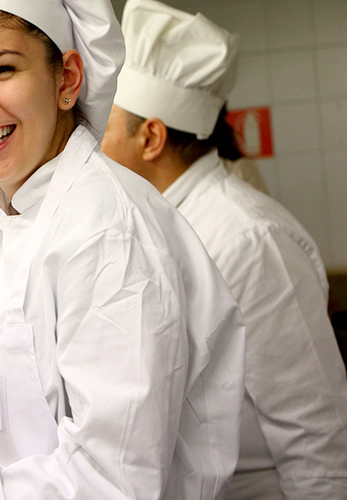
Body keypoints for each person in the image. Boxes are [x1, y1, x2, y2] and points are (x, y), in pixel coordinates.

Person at [0, 0, 247, 498]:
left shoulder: (108, 232)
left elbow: (115, 478)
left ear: (67, 79)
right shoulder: (2, 224)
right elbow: (21, 430)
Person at [100, 1, 347, 498]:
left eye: (104, 128)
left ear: (151, 137)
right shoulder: (155, 220)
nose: (92, 148)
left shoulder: (249, 239)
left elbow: (315, 432)